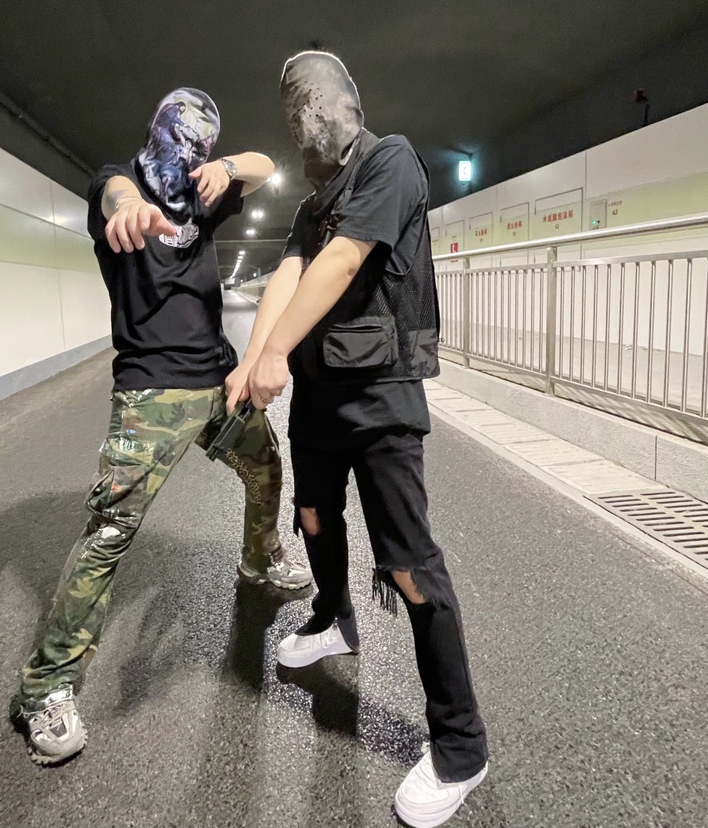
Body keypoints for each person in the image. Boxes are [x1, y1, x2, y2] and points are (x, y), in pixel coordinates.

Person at [226, 54, 489, 826]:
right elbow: (290, 274)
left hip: (381, 398)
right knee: (313, 517)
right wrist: (254, 356)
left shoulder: (391, 161)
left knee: (409, 567)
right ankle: (334, 617)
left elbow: (344, 260)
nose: (306, 119)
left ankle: (461, 746)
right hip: (320, 398)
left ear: (347, 103)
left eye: (316, 102)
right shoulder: (312, 205)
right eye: (294, 108)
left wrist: (275, 351)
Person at [17, 87, 310, 766]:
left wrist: (227, 168)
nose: (188, 154)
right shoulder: (116, 182)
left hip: (219, 382)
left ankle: (260, 555)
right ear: (156, 134)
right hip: (150, 393)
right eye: (181, 141)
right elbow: (112, 192)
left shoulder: (203, 194)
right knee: (109, 533)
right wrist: (127, 208)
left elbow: (266, 165)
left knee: (266, 467)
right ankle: (45, 688)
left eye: (201, 146)